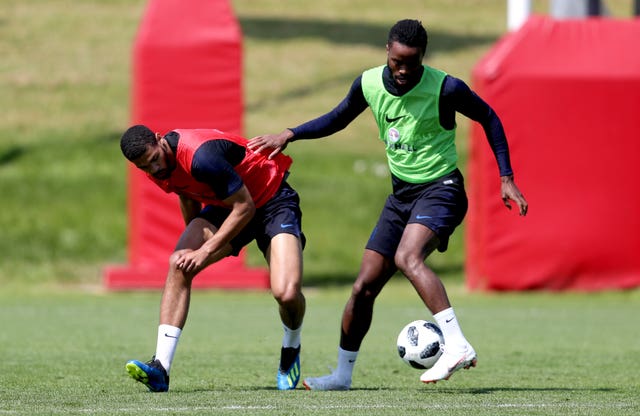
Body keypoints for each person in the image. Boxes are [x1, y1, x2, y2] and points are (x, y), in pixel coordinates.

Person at [248, 19, 528, 390]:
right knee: (363, 287)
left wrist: (505, 177)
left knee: (407, 258)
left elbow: (489, 117)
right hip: (401, 197)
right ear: (387, 52)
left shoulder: (446, 88)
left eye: (412, 63)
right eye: (398, 61)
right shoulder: (367, 83)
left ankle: (457, 344)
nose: (404, 70)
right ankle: (342, 376)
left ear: (422, 58)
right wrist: (290, 133)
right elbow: (337, 118)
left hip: (441, 189)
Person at [120, 125, 307, 391]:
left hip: (271, 202)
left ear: (160, 140)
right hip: (227, 207)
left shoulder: (201, 156)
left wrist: (206, 250)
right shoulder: (156, 166)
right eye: (144, 167)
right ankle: (161, 367)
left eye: (154, 160)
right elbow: (186, 192)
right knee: (179, 264)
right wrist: (195, 234)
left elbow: (246, 207)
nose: (154, 169)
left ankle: (291, 346)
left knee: (286, 293)